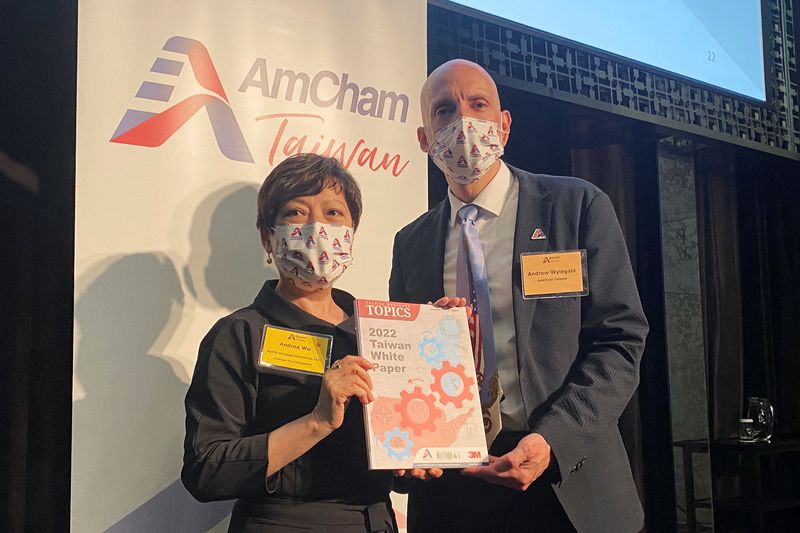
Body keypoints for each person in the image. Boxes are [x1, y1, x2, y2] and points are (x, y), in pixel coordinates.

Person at [389, 59, 649, 532]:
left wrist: (553, 440)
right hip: (455, 493)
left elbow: (621, 341)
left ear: (503, 125)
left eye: (478, 104)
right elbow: (410, 374)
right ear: (425, 139)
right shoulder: (411, 243)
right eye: (444, 110)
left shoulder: (575, 206)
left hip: (568, 480)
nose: (463, 120)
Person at [182, 153, 395, 532]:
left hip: (375, 521)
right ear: (267, 236)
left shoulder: (377, 332)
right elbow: (206, 470)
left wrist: (443, 342)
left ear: (351, 233)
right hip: (284, 522)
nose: (317, 228)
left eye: (333, 214)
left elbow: (398, 458)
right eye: (296, 213)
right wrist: (315, 423)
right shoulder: (239, 333)